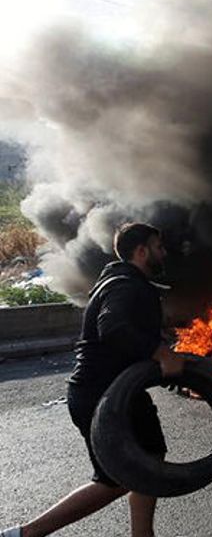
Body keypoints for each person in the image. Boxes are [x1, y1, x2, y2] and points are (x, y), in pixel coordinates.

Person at [4, 222, 184, 537]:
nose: (164, 252)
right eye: (159, 247)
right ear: (141, 251)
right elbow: (112, 328)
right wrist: (159, 352)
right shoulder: (125, 285)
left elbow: (125, 340)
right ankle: (26, 533)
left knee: (150, 459)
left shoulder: (123, 282)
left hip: (122, 391)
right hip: (100, 395)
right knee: (115, 480)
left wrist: (158, 360)